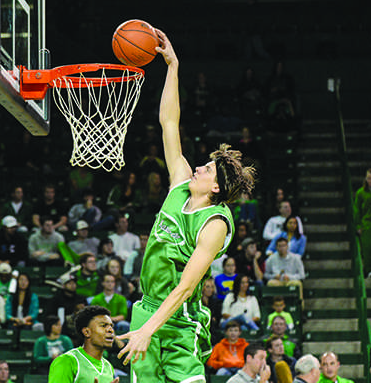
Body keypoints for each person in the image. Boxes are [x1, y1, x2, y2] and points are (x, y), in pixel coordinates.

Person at [116, 30, 257, 383]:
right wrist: (172, 66)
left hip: (180, 320)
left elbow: (185, 288)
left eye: (207, 168)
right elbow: (169, 122)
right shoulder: (180, 184)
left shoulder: (215, 224)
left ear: (217, 186)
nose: (198, 167)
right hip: (146, 307)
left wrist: (150, 330)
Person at [48, 305, 119, 383]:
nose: (111, 330)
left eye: (111, 326)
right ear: (87, 332)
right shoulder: (67, 361)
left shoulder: (108, 366)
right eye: (103, 325)